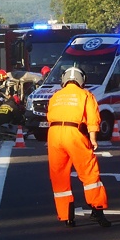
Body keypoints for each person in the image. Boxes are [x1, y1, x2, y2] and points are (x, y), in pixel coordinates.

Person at [46, 66, 110, 227]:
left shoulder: (56, 96)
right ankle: (97, 210)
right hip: (74, 133)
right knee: (89, 172)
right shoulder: (85, 95)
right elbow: (93, 119)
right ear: (82, 80)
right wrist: (93, 138)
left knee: (58, 175)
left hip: (53, 134)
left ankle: (66, 216)